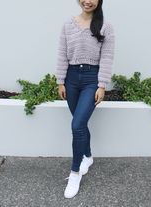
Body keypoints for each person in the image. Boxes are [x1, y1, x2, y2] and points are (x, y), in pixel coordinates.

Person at [55, 0, 115, 199]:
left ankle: (74, 173)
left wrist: (102, 85)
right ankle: (88, 157)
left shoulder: (105, 26)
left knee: (77, 125)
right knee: (79, 124)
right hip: (71, 79)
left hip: (91, 80)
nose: (87, 1)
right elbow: (62, 54)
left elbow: (107, 57)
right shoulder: (68, 24)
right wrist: (60, 81)